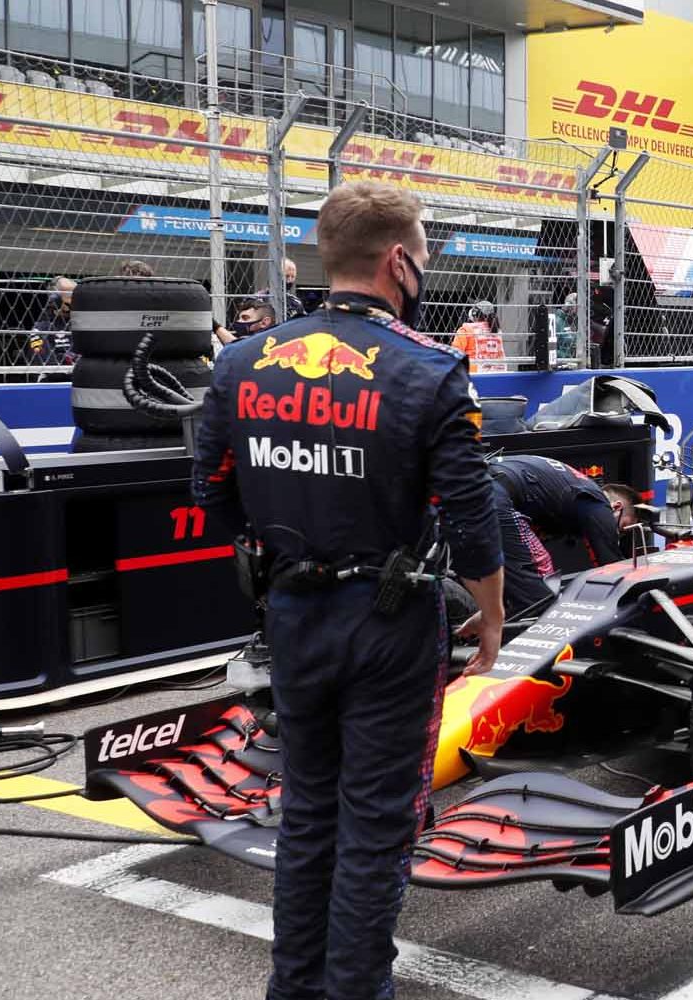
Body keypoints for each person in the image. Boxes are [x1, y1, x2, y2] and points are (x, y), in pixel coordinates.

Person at [190, 181, 504, 1000]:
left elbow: (214, 496)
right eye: (425, 252)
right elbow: (473, 525)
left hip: (290, 612)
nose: (425, 266)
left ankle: (292, 990)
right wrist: (495, 623)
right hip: (391, 622)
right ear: (398, 260)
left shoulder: (239, 363)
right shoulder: (432, 370)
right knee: (373, 827)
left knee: (308, 814)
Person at [487, 454, 627, 616]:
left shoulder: (563, 487)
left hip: (471, 486)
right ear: (617, 508)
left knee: (501, 581)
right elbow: (611, 566)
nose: (618, 533)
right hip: (493, 493)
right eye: (622, 527)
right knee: (540, 592)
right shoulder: (598, 503)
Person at [453, 301, 508, 374]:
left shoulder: (466, 329)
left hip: (473, 373)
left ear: (474, 313)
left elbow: (455, 353)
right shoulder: (497, 331)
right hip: (497, 372)